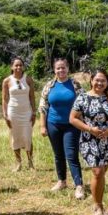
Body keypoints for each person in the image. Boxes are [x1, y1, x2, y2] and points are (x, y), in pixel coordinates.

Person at [70, 69, 108, 215]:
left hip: (107, 140)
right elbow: (73, 118)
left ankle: (98, 201)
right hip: (89, 139)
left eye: (103, 81)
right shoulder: (83, 98)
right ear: (91, 80)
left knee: (102, 173)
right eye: (97, 80)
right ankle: (98, 206)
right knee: (98, 172)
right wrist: (90, 129)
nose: (100, 83)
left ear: (107, 83)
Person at [39, 58, 85, 198]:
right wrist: (42, 126)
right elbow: (43, 106)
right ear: (54, 70)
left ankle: (79, 186)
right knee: (58, 154)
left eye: (63, 68)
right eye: (58, 68)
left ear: (68, 68)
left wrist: (84, 124)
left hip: (71, 125)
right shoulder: (49, 86)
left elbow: (84, 103)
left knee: (71, 155)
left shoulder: (75, 85)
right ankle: (62, 181)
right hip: (53, 124)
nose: (61, 70)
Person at [1, 57, 36, 171]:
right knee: (15, 137)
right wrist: (5, 114)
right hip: (13, 111)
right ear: (12, 67)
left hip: (26, 111)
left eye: (20, 65)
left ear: (23, 67)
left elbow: (32, 97)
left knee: (27, 137)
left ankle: (30, 162)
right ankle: (18, 162)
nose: (18, 67)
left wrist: (34, 112)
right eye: (16, 65)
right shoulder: (7, 81)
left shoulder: (28, 79)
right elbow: (5, 99)